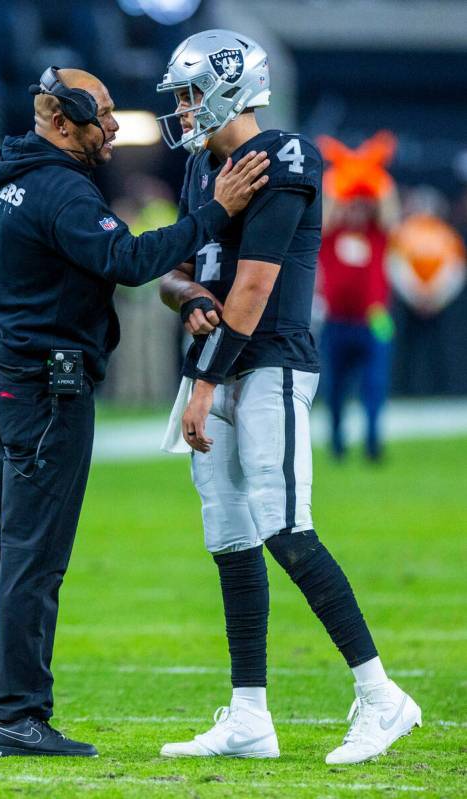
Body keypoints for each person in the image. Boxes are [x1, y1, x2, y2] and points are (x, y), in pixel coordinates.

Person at [0, 65, 268, 758]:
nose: (115, 126)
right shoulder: (61, 189)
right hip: (43, 389)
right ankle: (17, 715)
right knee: (34, 558)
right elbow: (126, 258)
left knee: (7, 549)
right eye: (102, 116)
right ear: (61, 122)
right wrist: (215, 211)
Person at [157, 30, 421, 764]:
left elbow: (255, 284)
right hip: (213, 360)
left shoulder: (287, 157)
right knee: (229, 534)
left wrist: (204, 381)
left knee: (284, 525)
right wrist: (186, 302)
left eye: (187, 92)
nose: (181, 109)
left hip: (266, 361)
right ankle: (248, 714)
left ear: (227, 86)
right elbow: (177, 269)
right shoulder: (200, 167)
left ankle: (380, 695)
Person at [317, 132, 400, 461]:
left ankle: (373, 442)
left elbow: (389, 208)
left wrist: (372, 174)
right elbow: (327, 210)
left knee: (375, 384)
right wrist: (344, 177)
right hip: (336, 320)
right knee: (335, 388)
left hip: (374, 319)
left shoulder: (377, 233)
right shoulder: (331, 231)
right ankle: (337, 441)